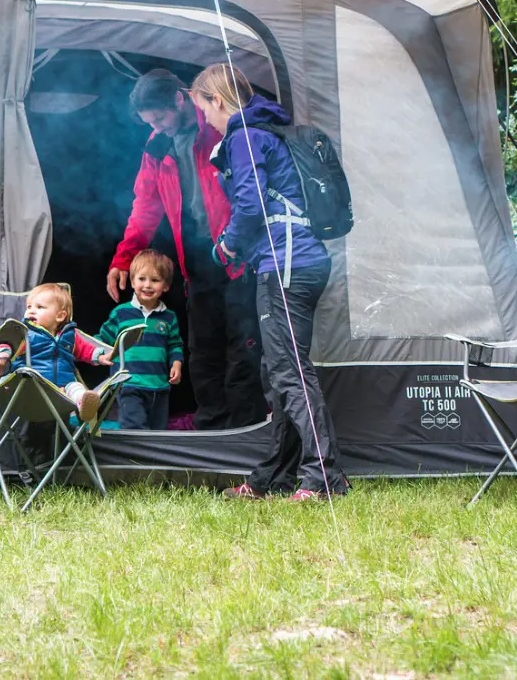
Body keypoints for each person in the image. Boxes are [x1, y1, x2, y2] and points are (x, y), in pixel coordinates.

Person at [188, 63, 349, 501]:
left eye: (204, 111)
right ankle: (273, 478)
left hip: (286, 263)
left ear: (216, 101)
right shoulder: (266, 131)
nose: (206, 121)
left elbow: (250, 201)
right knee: (276, 372)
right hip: (299, 261)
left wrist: (227, 246)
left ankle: (324, 478)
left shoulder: (244, 137)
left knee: (289, 371)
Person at [107, 68, 265, 430]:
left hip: (238, 253)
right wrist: (124, 258)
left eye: (160, 118)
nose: (157, 127)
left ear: (179, 99)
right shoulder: (156, 145)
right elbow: (144, 207)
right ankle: (212, 423)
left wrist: (238, 242)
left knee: (243, 342)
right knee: (203, 346)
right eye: (151, 122)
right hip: (196, 258)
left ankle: (246, 425)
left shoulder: (217, 125)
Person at [0, 283, 104, 425]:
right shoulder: (25, 333)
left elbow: (85, 350)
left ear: (60, 316)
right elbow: (8, 344)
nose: (31, 311)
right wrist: (2, 358)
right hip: (31, 387)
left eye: (39, 307)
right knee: (11, 379)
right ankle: (80, 403)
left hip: (61, 388)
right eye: (29, 307)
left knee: (75, 386)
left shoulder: (69, 335)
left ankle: (83, 403)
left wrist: (100, 356)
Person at [98, 250, 184, 430]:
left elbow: (175, 344)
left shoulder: (168, 317)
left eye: (155, 280)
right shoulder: (121, 313)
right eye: (142, 279)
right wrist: (94, 353)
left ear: (166, 286)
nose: (147, 285)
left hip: (159, 387)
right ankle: (131, 459)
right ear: (132, 281)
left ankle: (151, 459)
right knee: (133, 429)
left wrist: (176, 363)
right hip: (128, 384)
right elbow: (101, 340)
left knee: (157, 432)